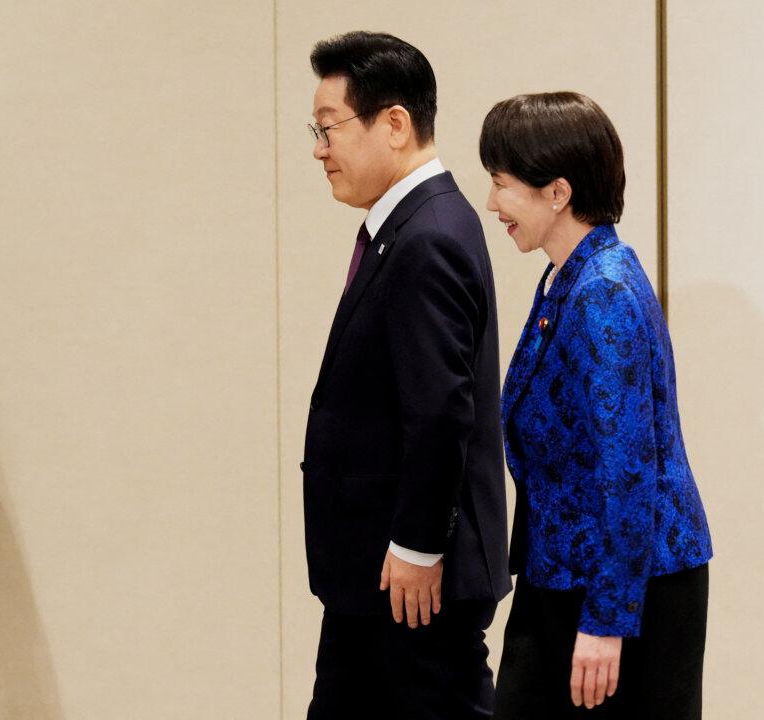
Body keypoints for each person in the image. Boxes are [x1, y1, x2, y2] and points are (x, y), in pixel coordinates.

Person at [480, 92, 714, 719]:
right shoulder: (566, 277)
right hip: (564, 573)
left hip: (625, 589)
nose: (492, 203)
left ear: (556, 192)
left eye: (501, 185)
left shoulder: (602, 291)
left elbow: (629, 469)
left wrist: (607, 620)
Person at [301, 31, 510, 720]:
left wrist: (419, 545)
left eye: (329, 128)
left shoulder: (431, 235)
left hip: (413, 578)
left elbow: (442, 411)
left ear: (394, 123)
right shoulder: (409, 227)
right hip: (375, 573)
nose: (318, 150)